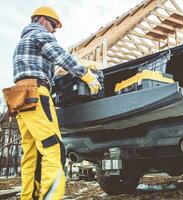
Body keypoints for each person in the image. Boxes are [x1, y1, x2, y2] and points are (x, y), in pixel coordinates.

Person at [13, 6, 101, 200]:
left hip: (20, 98)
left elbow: (41, 66)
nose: (54, 30)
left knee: (32, 154)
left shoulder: (24, 40)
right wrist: (87, 76)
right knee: (53, 148)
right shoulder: (39, 34)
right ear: (43, 21)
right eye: (53, 25)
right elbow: (61, 57)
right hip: (36, 94)